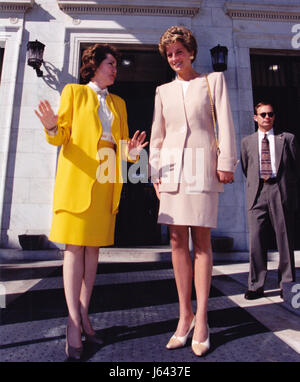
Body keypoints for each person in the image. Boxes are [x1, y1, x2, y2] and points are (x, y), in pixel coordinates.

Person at [34, 43, 147, 360]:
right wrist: (51, 126)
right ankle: (73, 324)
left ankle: (84, 314)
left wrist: (134, 156)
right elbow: (62, 137)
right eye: (110, 63)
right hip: (77, 179)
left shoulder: (120, 104)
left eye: (115, 64)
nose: (115, 69)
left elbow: (124, 150)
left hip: (105, 180)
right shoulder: (73, 92)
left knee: (93, 250)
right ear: (94, 65)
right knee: (74, 249)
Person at [149, 26, 237, 356]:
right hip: (170, 172)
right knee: (175, 240)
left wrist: (226, 162)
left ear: (191, 51)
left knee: (201, 240)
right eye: (169, 54)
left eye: (179, 51)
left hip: (203, 167)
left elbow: (224, 124)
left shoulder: (213, 81)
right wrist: (154, 174)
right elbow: (157, 138)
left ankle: (202, 319)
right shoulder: (162, 92)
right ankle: (183, 316)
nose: (174, 58)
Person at [241, 102, 300, 300]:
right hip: (257, 193)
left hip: (279, 191)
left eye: (270, 114)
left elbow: (294, 168)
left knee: (285, 239)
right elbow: (245, 167)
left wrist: (288, 191)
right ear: (255, 117)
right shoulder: (247, 142)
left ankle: (287, 284)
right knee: (256, 239)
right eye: (263, 114)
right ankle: (256, 285)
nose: (267, 117)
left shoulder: (287, 139)